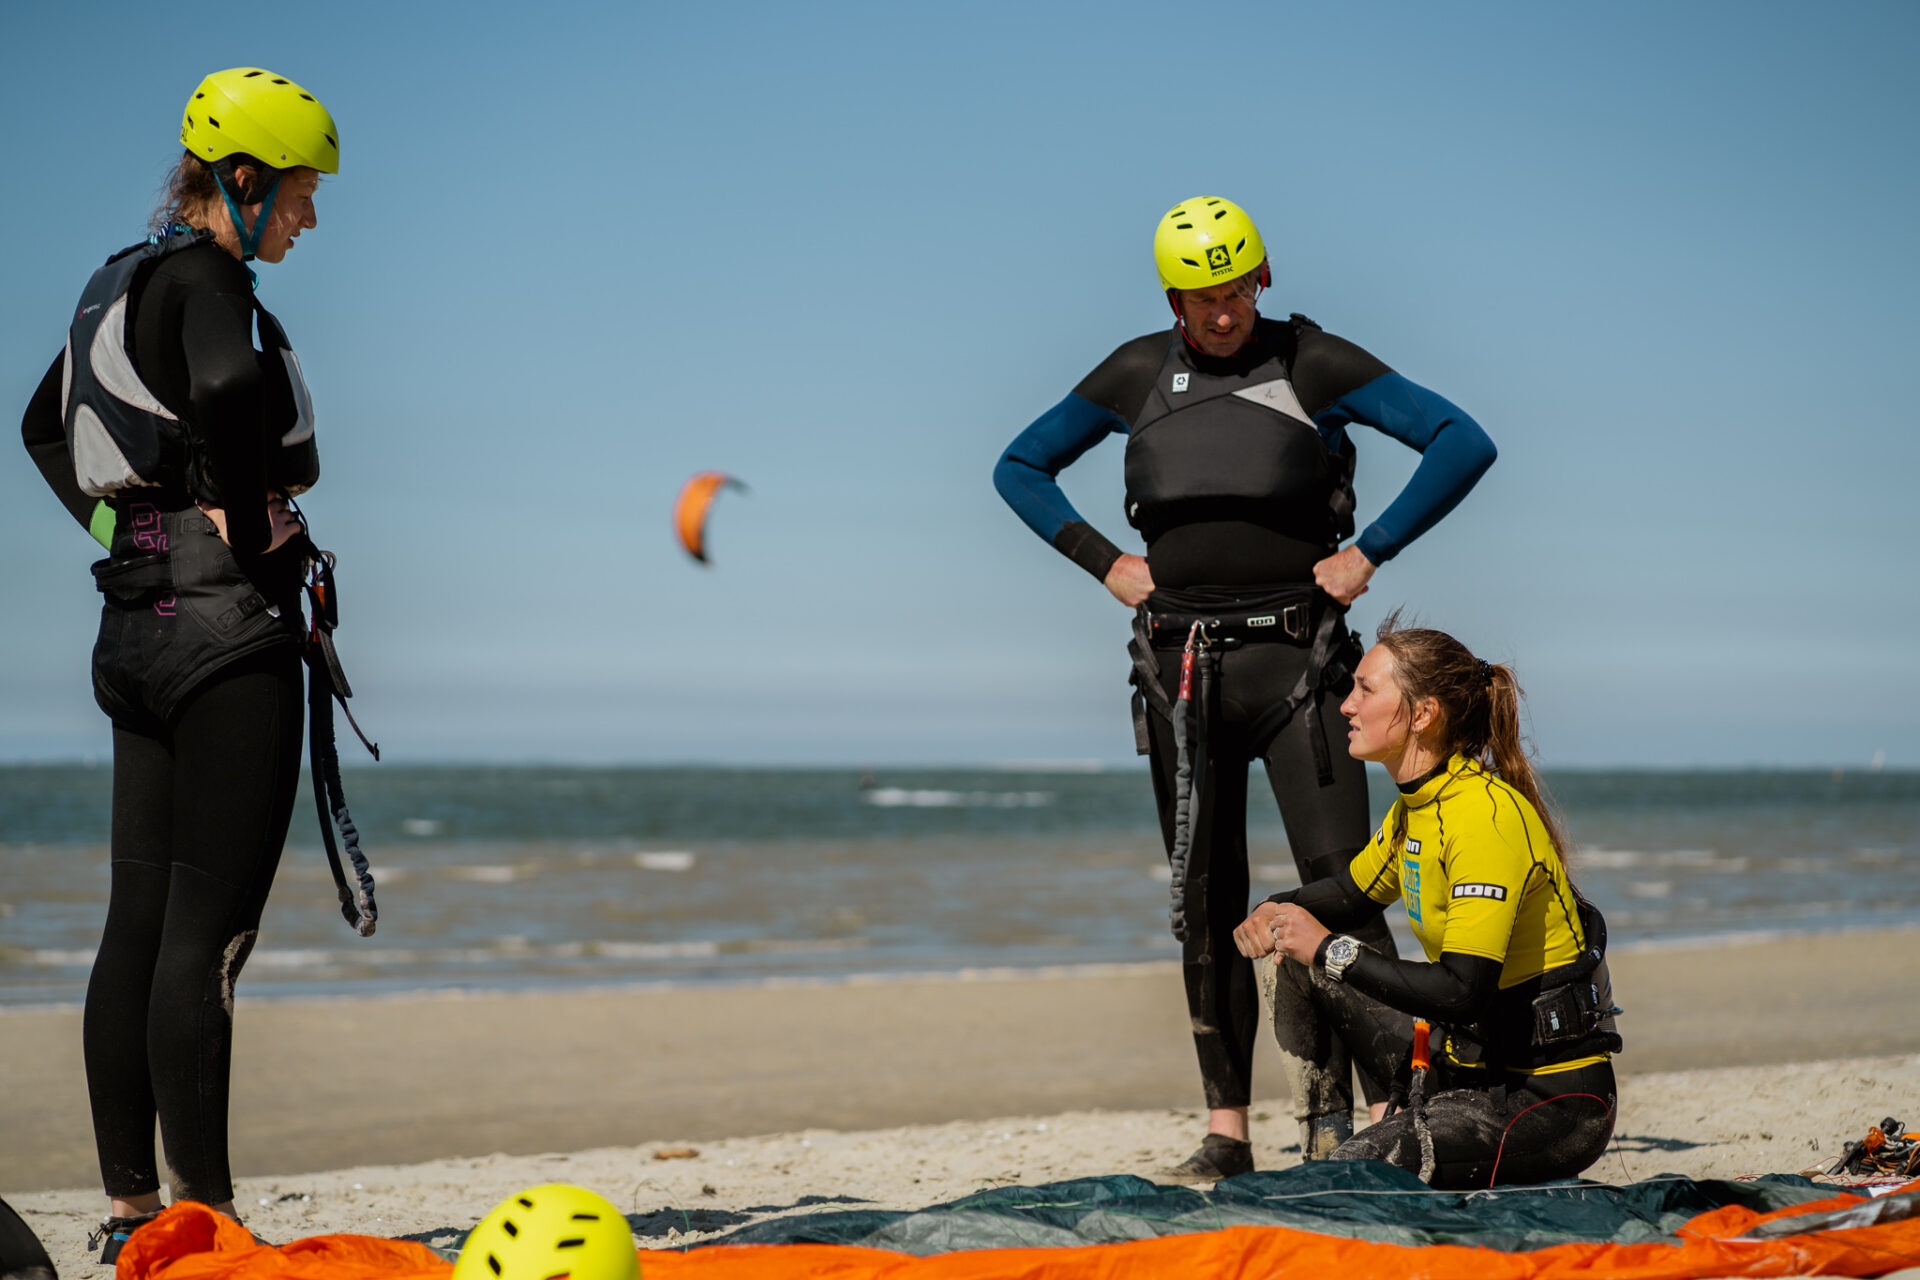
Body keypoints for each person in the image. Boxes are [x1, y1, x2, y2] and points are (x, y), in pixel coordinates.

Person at [993, 196, 1498, 1179]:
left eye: (1232, 290)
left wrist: (1370, 552)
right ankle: (1227, 1131)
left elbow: (1461, 439)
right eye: (1198, 296)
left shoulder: (1313, 364)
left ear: (1261, 278)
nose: (1219, 312)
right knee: (1203, 896)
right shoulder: (1138, 372)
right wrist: (1104, 560)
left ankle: (1394, 1103)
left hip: (1300, 667)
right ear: (1171, 295)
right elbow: (1019, 466)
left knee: (1346, 880)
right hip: (1179, 673)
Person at [18, 67, 341, 1260]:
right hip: (221, 636)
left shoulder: (116, 283)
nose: (310, 218)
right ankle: (208, 1223)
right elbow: (222, 382)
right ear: (244, 183)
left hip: (131, 625)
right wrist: (243, 510)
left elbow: (41, 425)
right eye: (302, 194)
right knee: (209, 936)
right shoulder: (211, 279)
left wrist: (126, 525)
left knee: (137, 925)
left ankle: (129, 1216)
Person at [1234, 616, 1621, 1187]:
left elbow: (1463, 992)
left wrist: (1329, 949)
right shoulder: (1415, 808)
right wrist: (1275, 908)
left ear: (1421, 714)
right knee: (1294, 945)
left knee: (1356, 1171)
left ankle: (1338, 1173)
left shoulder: (1483, 818)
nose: (1346, 705)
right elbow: (1350, 893)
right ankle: (1324, 1148)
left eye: (1365, 689)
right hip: (1467, 1068)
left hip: (1547, 1100)